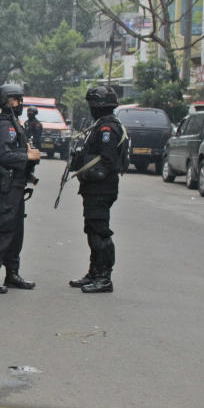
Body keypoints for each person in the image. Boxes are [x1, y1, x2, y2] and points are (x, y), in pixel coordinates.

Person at [0, 83, 41, 294]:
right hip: (6, 185)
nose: (20, 103)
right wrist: (27, 156)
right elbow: (3, 155)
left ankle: (12, 273)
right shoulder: (5, 127)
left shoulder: (15, 124)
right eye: (17, 100)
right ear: (8, 101)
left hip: (16, 184)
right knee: (2, 229)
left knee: (16, 231)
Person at [68, 85, 126, 293]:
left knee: (100, 231)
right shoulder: (101, 125)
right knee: (92, 229)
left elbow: (107, 161)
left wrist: (87, 168)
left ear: (98, 106)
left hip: (101, 189)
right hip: (94, 189)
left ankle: (104, 277)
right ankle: (94, 272)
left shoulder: (107, 129)